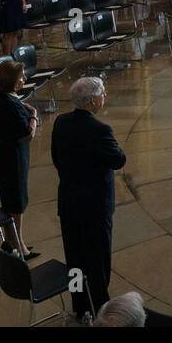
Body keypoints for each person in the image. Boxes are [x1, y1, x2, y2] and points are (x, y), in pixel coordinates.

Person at [51, 76, 126, 320]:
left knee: (74, 258)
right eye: (102, 93)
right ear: (92, 101)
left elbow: (56, 159)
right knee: (97, 262)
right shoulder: (100, 130)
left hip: (70, 203)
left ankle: (80, 305)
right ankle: (101, 308)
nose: (104, 97)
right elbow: (118, 160)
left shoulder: (61, 122)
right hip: (95, 207)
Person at [0, 60, 39, 259]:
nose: (24, 79)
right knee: (16, 202)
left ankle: (14, 241)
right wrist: (34, 115)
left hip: (6, 153)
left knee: (11, 200)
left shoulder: (1, 98)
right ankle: (19, 246)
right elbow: (28, 133)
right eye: (21, 76)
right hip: (12, 157)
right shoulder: (9, 103)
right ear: (11, 80)